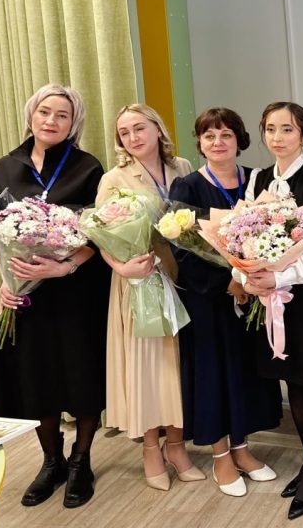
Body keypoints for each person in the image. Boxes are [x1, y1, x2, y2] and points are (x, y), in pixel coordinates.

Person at [0, 84, 109, 508]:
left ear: (74, 123)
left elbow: (100, 234)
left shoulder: (88, 167)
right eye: (45, 112)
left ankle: (81, 461)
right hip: (26, 296)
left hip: (77, 291)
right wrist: (7, 280)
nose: (51, 120)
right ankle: (51, 461)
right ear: (31, 115)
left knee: (82, 373)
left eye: (62, 115)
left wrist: (64, 266)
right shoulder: (6, 167)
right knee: (36, 378)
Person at [168, 108, 281, 497]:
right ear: (199, 144)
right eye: (209, 136)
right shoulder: (187, 187)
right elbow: (182, 249)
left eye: (226, 135)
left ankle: (242, 449)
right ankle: (220, 456)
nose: (218, 142)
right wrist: (228, 283)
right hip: (209, 299)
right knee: (214, 374)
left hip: (254, 294)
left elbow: (276, 233)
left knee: (245, 372)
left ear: (239, 140)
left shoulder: (258, 180)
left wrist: (256, 277)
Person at [241, 102, 303, 520]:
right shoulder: (258, 178)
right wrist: (248, 274)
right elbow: (241, 233)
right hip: (272, 297)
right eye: (270, 129)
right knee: (293, 381)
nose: (278, 137)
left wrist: (281, 276)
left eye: (287, 129)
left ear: (302, 134)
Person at [99, 104, 204, 491]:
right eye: (124, 133)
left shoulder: (183, 167)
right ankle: (149, 449)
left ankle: (176, 447)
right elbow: (100, 234)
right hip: (140, 281)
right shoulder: (114, 178)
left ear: (158, 129)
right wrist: (121, 267)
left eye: (139, 128)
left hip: (182, 278)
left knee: (177, 366)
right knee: (148, 369)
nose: (132, 137)